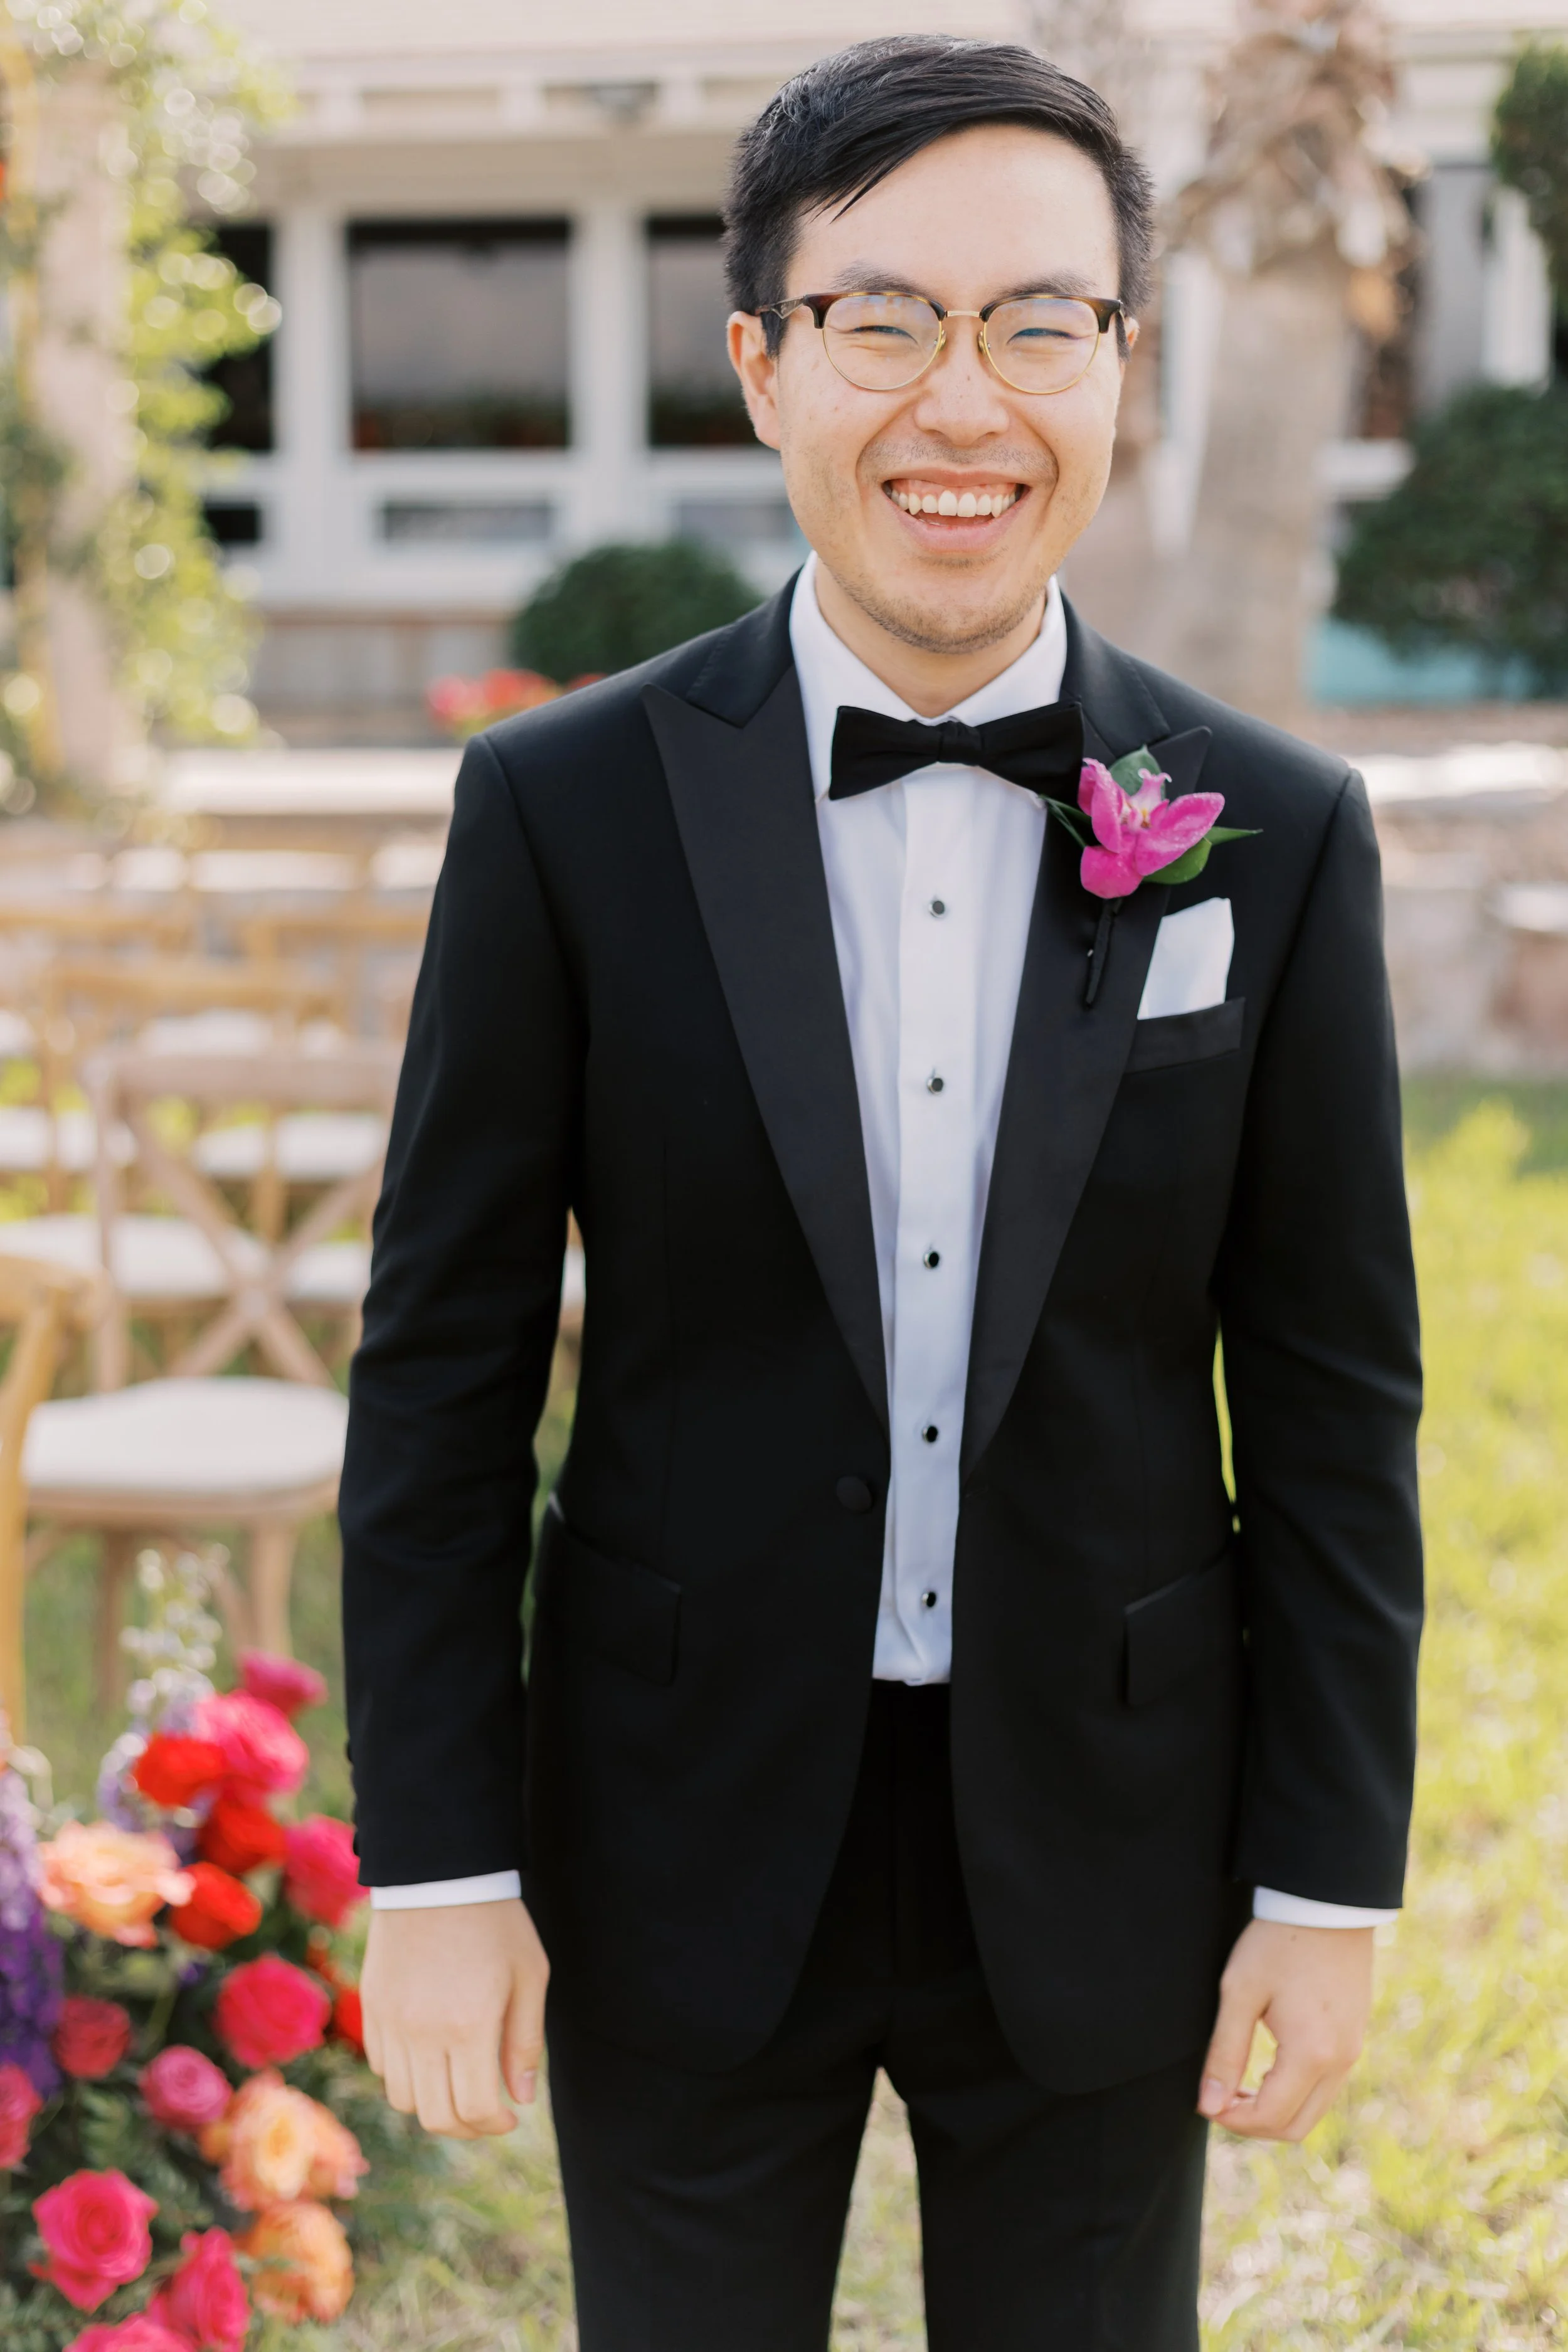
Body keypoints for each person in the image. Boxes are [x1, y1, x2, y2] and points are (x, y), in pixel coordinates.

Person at [340, 36, 1422, 2351]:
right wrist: (437, 1858)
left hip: (1113, 1834)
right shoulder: (560, 810)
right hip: (675, 1813)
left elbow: (1333, 1401)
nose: (966, 400)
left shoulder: (1269, 825)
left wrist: (1327, 1881)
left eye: (1040, 321)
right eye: (880, 319)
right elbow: (436, 1379)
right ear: (759, 362)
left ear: (1120, 367)